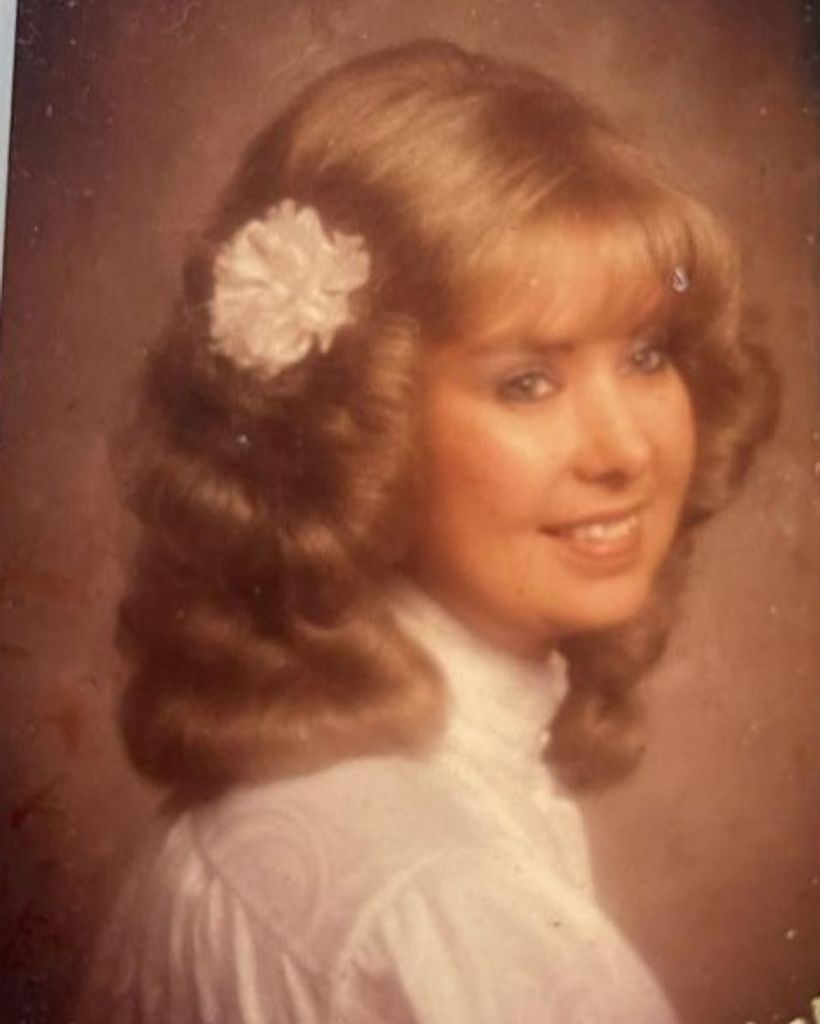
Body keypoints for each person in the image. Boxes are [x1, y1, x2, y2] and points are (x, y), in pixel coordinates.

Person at [81, 39, 776, 1023]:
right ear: (354, 426)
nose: (626, 449)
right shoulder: (445, 911)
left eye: (649, 354)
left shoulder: (234, 834)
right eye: (527, 381)